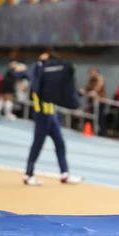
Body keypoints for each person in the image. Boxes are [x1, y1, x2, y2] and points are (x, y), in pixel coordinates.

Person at [14, 52, 83, 186]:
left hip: (51, 114)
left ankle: (65, 174)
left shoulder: (51, 74)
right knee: (37, 144)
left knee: (60, 143)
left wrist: (76, 94)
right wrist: (15, 69)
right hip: (42, 114)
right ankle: (28, 175)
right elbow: (23, 75)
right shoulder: (37, 70)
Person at [79, 67, 106, 136]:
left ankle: (102, 134)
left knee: (100, 118)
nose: (91, 74)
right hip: (92, 102)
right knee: (91, 117)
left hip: (100, 102)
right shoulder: (91, 79)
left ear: (96, 72)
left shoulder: (100, 78)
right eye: (90, 72)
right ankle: (92, 132)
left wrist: (94, 92)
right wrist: (83, 90)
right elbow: (87, 87)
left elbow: (98, 86)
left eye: (93, 72)